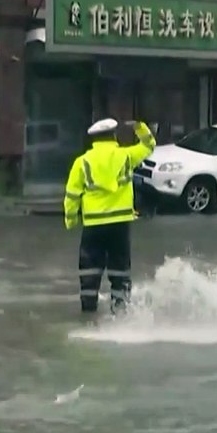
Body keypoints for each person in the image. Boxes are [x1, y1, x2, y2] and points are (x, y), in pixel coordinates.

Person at [64, 118, 156, 313]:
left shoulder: (82, 162)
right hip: (120, 224)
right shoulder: (126, 156)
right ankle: (120, 312)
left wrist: (71, 219)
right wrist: (140, 127)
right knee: (120, 270)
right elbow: (149, 145)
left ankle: (88, 312)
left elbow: (72, 194)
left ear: (93, 140)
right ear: (113, 136)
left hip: (93, 225)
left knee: (89, 269)